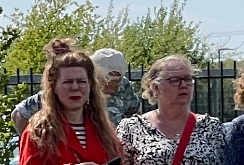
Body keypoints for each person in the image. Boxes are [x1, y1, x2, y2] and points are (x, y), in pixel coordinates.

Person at [13, 46, 146, 134]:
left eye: (116, 82)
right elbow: (19, 113)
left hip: (112, 157)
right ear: (93, 77)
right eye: (107, 81)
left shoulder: (124, 87)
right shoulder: (69, 90)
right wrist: (33, 141)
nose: (112, 86)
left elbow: (136, 113)